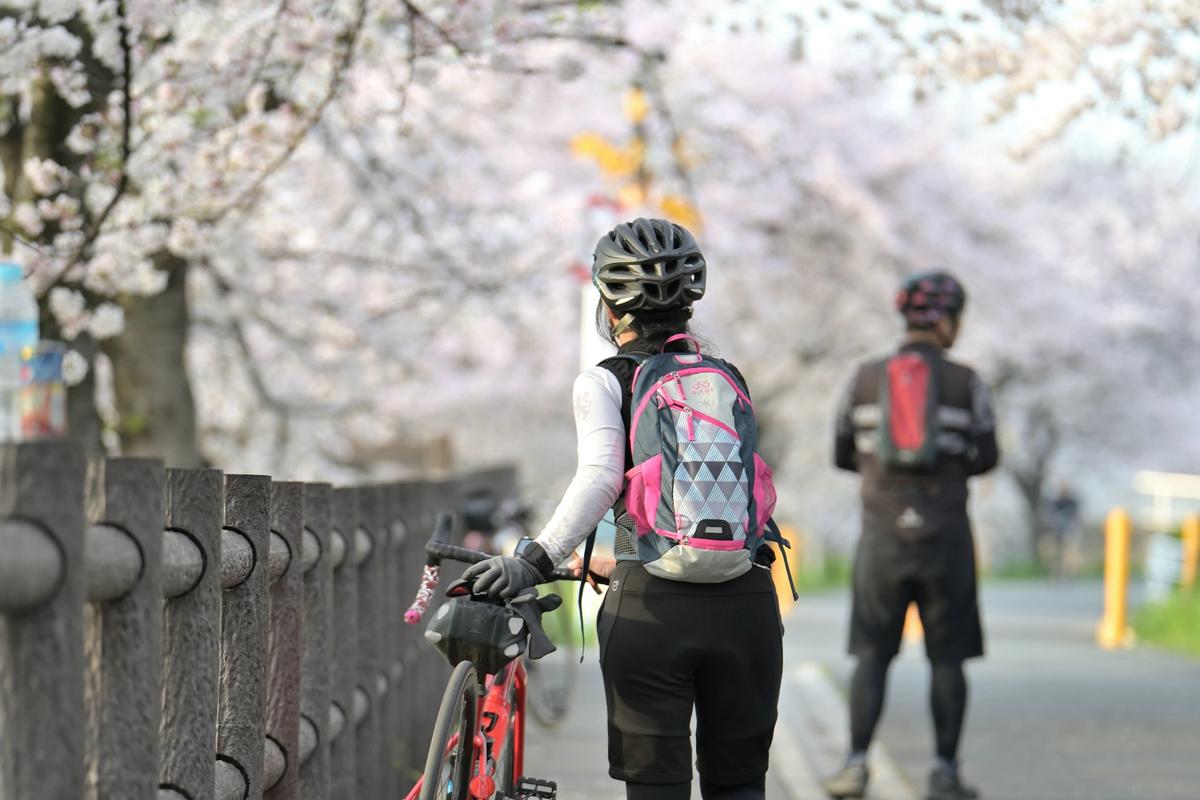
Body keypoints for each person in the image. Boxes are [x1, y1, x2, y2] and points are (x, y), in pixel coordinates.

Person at [463, 218, 784, 800]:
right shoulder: (725, 377)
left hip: (651, 610)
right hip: (747, 605)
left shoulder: (605, 381)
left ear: (610, 308)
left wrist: (534, 560)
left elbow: (602, 477)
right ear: (690, 304)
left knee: (657, 788)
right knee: (740, 787)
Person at [823, 271, 999, 800]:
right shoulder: (967, 382)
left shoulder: (864, 378)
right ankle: (944, 772)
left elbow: (841, 453)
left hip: (881, 538)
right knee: (947, 659)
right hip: (946, 538)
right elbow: (987, 456)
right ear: (945, 322)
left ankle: (855, 765)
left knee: (872, 655)